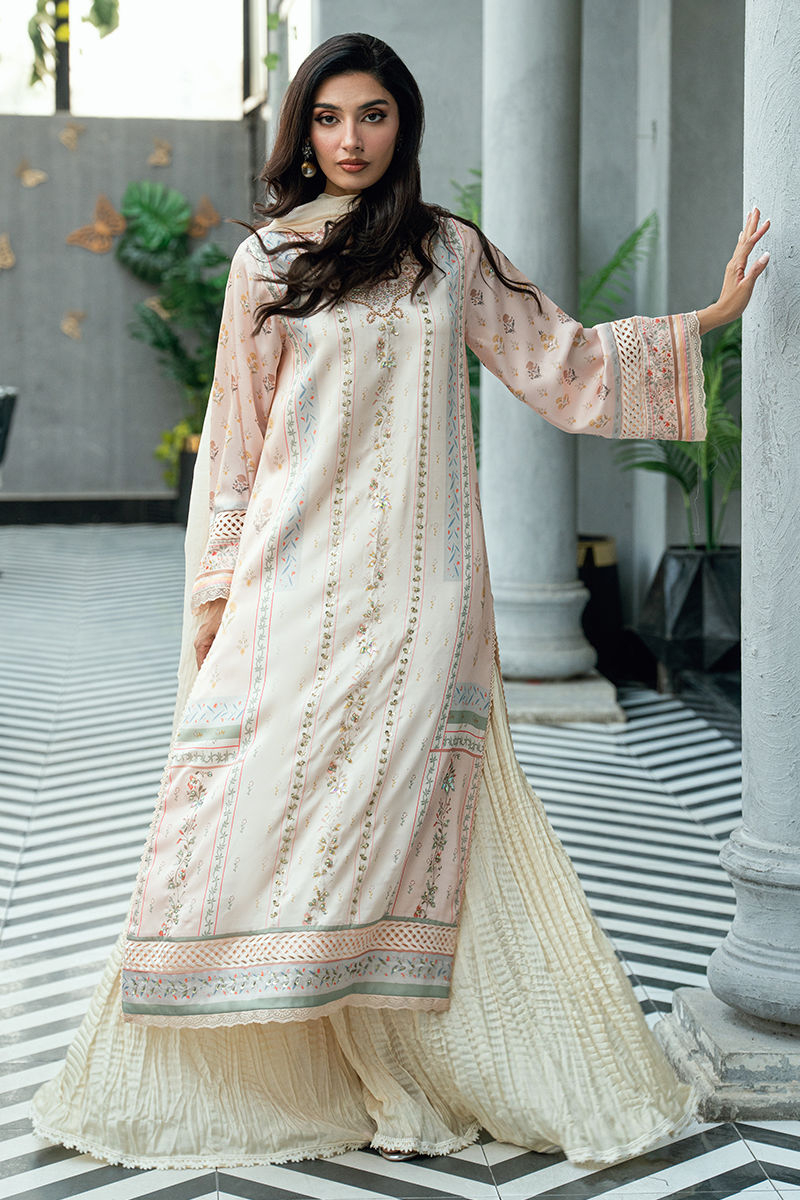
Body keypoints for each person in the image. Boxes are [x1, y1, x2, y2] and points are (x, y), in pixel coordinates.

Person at [31, 32, 769, 1171]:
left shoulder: (446, 253)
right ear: (302, 131)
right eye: (330, 118)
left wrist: (705, 322)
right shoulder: (267, 262)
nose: (351, 139)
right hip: (290, 583)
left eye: (372, 116)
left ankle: (426, 1052)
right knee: (245, 806)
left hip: (423, 593)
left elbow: (558, 360)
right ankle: (271, 1049)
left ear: (402, 127)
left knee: (408, 820)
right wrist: (218, 596)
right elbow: (233, 447)